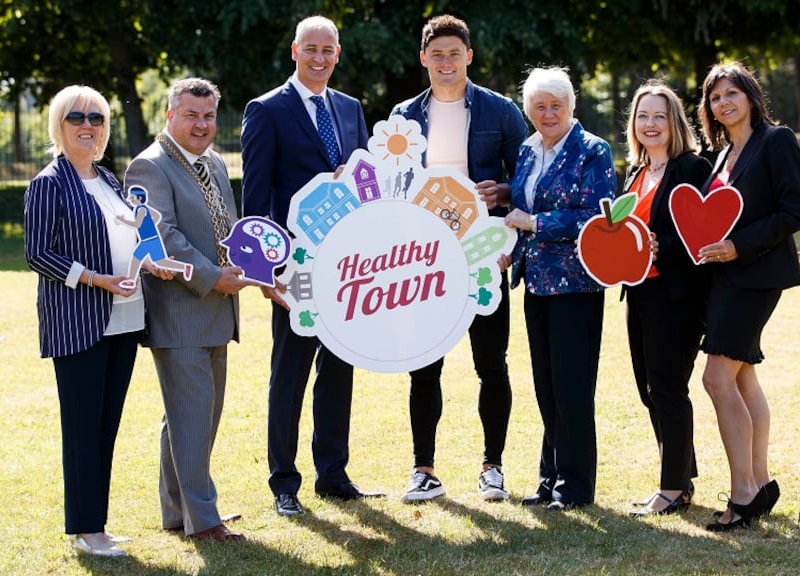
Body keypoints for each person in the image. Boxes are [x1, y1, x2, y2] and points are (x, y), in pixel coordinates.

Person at [241, 15, 382, 517]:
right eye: (311, 49)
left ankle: (333, 474)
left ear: (337, 54)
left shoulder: (350, 108)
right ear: (295, 51)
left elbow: (369, 184)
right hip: (294, 267)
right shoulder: (266, 110)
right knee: (291, 372)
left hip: (346, 264)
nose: (319, 57)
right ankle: (284, 482)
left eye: (328, 50)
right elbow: (256, 196)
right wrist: (263, 269)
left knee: (339, 368)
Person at [24, 85, 174, 557]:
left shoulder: (109, 180)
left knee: (105, 426)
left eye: (97, 118)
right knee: (83, 428)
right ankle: (86, 530)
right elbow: (38, 254)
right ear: (59, 126)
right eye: (77, 118)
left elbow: (131, 239)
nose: (88, 126)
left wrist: (151, 264)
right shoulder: (49, 183)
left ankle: (97, 527)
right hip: (80, 322)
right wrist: (97, 280)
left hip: (125, 321)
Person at [390, 14, 527, 503]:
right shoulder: (403, 116)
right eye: (437, 54)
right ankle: (423, 469)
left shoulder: (501, 111)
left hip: (484, 255)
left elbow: (528, 181)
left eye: (455, 54)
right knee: (424, 365)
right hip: (423, 259)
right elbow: (391, 188)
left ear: (469, 56)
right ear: (424, 58)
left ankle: (493, 467)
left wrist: (506, 192)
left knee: (491, 363)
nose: (446, 62)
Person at [125, 77, 252, 542]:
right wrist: (211, 276)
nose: (201, 125)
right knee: (193, 414)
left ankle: (179, 512)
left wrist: (248, 265)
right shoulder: (150, 166)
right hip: (179, 311)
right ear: (169, 116)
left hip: (218, 308)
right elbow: (165, 237)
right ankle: (203, 522)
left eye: (208, 116)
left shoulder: (214, 162)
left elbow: (228, 228)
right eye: (191, 115)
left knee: (189, 416)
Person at [696, 62, 800, 531]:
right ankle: (761, 484)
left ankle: (742, 493)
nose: (724, 102)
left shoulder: (775, 140)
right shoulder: (722, 156)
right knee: (742, 381)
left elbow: (794, 210)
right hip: (724, 278)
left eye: (731, 93)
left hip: (755, 277)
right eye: (715, 98)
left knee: (716, 380)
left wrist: (740, 246)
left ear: (750, 96)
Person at [503, 67, 616, 511]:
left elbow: (597, 216)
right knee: (546, 385)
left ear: (572, 107)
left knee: (572, 386)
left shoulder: (592, 150)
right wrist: (510, 237)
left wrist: (536, 223)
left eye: (556, 105)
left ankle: (576, 485)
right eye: (539, 106)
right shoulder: (528, 152)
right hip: (536, 283)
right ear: (529, 110)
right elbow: (521, 205)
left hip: (577, 284)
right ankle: (550, 479)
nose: (548, 113)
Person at [621, 80, 713, 516]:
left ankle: (672, 488)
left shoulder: (691, 168)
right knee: (647, 388)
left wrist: (662, 247)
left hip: (675, 294)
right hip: (638, 292)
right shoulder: (636, 173)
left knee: (667, 388)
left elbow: (702, 233)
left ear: (674, 121)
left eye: (659, 115)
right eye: (643, 116)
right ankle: (683, 476)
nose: (650, 124)